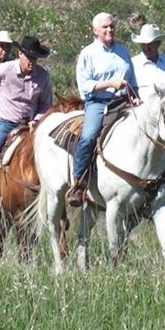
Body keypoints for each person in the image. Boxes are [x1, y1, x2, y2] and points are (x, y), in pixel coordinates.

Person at [65, 12, 140, 206]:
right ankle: (79, 182)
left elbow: (132, 81)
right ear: (95, 31)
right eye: (105, 27)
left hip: (123, 101)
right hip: (98, 103)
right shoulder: (88, 54)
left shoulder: (123, 52)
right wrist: (109, 84)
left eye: (112, 26)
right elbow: (85, 85)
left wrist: (136, 97)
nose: (110, 30)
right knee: (89, 135)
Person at [0, 36, 53, 209]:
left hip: (30, 126)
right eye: (30, 57)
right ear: (20, 54)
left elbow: (46, 104)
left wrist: (37, 120)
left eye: (35, 58)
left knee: (51, 155)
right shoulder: (6, 69)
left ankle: (50, 202)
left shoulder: (43, 76)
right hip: (4, 122)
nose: (32, 62)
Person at [131, 23, 165, 99]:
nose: (146, 47)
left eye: (150, 44)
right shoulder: (133, 64)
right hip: (144, 107)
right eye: (143, 44)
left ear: (158, 44)